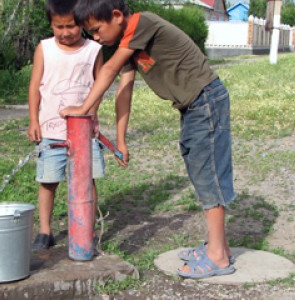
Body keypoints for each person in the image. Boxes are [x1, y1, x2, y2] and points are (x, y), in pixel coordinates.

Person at [60, 0, 237, 278]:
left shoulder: (143, 23)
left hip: (206, 100)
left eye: (95, 30)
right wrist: (120, 140)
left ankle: (218, 257)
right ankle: (219, 247)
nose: (94, 37)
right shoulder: (128, 43)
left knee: (208, 173)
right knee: (199, 169)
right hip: (194, 105)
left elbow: (107, 71)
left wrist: (83, 108)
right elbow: (124, 91)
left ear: (117, 16)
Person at [28, 0, 105, 252]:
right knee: (48, 180)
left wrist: (93, 114)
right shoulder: (45, 48)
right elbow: (34, 86)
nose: (65, 32)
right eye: (58, 26)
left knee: (86, 180)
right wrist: (33, 120)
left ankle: (86, 230)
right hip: (51, 129)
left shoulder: (93, 49)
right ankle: (45, 231)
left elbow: (99, 85)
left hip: (84, 130)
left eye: (71, 26)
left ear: (82, 23)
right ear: (51, 24)